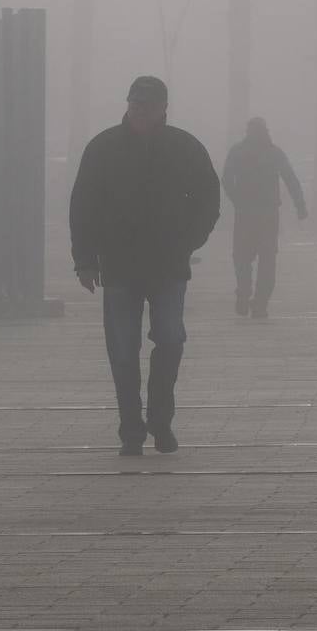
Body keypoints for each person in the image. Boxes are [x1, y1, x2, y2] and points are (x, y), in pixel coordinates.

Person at [69, 76, 220, 456]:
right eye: (135, 104)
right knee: (122, 350)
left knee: (170, 339)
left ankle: (160, 418)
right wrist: (84, 260)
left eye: (147, 106)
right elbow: (83, 205)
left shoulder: (184, 148)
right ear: (128, 104)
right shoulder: (103, 148)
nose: (140, 112)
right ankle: (131, 430)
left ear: (163, 109)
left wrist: (188, 241)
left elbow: (208, 199)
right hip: (118, 265)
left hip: (168, 264)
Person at [222, 117, 307, 319]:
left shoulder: (238, 151)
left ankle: (244, 293)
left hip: (246, 213)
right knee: (267, 260)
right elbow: (290, 179)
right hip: (267, 214)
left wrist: (237, 200)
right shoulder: (274, 153)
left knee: (242, 257)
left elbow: (226, 179)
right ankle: (259, 303)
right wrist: (300, 205)